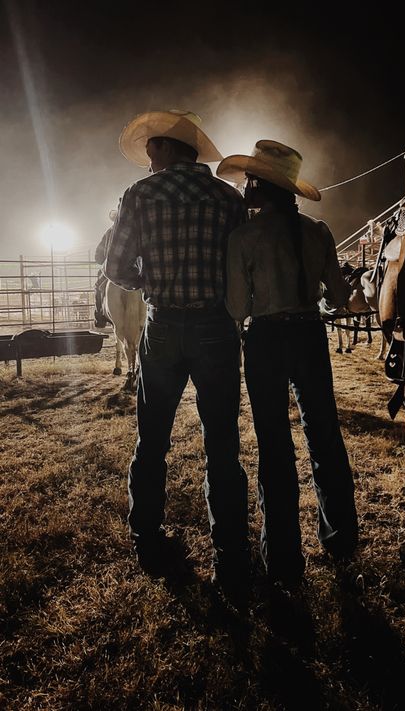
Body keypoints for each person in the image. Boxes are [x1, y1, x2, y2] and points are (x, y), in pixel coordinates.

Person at [103, 110, 249, 596]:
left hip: (164, 324)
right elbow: (239, 266)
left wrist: (152, 284)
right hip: (214, 327)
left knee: (153, 440)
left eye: (152, 151)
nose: (148, 160)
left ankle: (147, 538)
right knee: (222, 445)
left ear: (167, 148)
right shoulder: (228, 199)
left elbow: (117, 265)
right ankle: (230, 557)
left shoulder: (141, 195)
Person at [217, 140, 358, 591]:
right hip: (309, 334)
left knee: (274, 443)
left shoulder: (244, 238)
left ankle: (281, 554)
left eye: (249, 181)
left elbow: (237, 307)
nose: (244, 188)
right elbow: (338, 297)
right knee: (324, 434)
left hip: (266, 339)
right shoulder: (318, 231)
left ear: (260, 186)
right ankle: (341, 537)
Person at [93, 210, 116, 329]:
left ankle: (100, 318)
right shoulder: (134, 230)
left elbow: (98, 256)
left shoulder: (109, 232)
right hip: (135, 270)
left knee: (98, 287)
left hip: (112, 269)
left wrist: (104, 261)